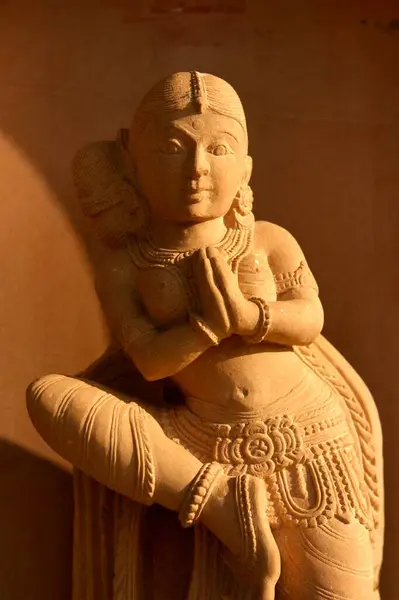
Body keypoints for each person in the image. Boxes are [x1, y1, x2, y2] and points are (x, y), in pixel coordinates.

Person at [27, 72, 383, 600]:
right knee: (51, 398)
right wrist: (207, 329)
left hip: (308, 438)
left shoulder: (267, 241)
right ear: (132, 160)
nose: (197, 170)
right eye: (173, 147)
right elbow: (148, 361)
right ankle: (221, 503)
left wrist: (246, 317)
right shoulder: (126, 269)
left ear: (246, 167)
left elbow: (310, 318)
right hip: (198, 443)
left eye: (219, 149)